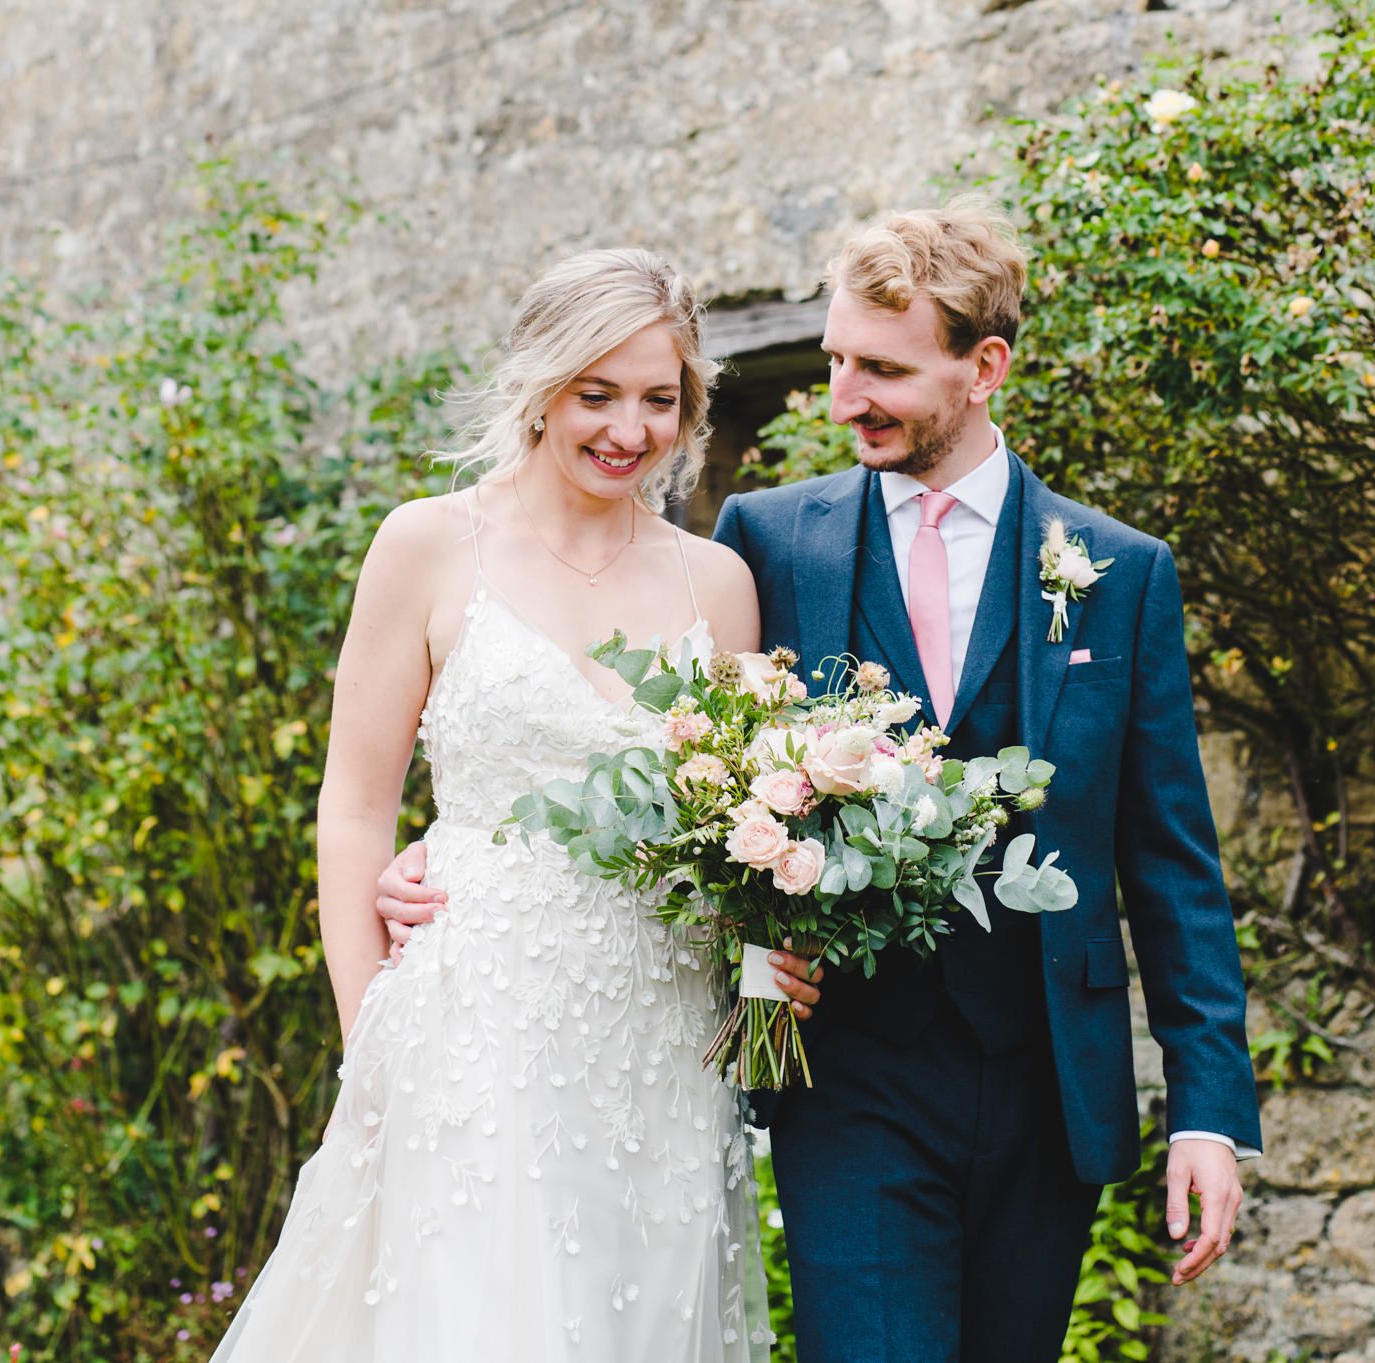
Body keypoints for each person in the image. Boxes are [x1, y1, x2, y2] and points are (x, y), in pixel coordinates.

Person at [377, 204, 1263, 1363]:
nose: (843, 395)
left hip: (1049, 1089)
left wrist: (1207, 1108)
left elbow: (1171, 863)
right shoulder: (768, 544)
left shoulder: (1117, 575)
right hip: (850, 1076)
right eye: (837, 358)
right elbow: (683, 777)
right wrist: (469, 857)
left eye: (882, 369)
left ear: (983, 367)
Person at [210, 247, 822, 1363]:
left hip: (663, 1048)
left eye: (658, 398)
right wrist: (371, 1051)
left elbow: (749, 837)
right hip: (472, 1031)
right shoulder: (428, 545)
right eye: (596, 393)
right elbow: (353, 808)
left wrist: (762, 1012)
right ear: (538, 383)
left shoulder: (716, 582)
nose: (627, 430)